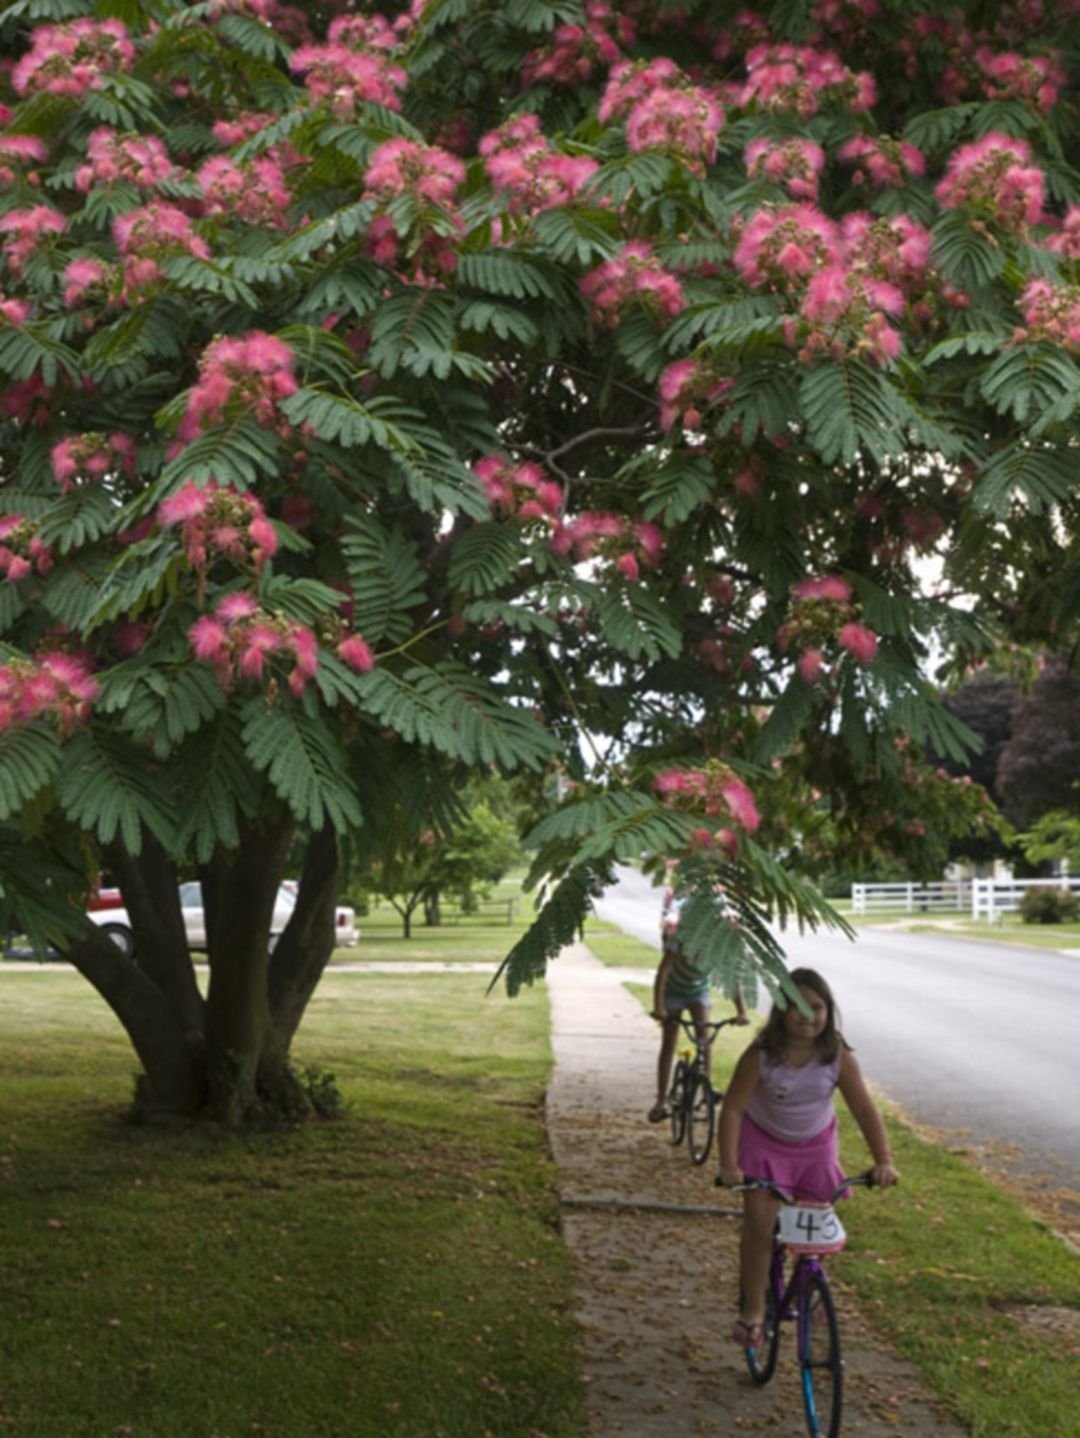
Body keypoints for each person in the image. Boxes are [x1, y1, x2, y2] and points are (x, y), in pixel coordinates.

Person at [716, 966, 899, 1347]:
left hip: (816, 1145)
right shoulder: (760, 1056)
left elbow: (864, 1109)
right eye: (797, 1006)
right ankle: (752, 1309)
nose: (807, 1015)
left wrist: (883, 1158)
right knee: (759, 1225)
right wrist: (729, 1165)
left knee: (815, 1227)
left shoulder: (837, 1057)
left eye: (817, 1007)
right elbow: (733, 1108)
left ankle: (807, 1281)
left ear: (829, 1011)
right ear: (781, 1011)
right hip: (763, 1142)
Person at [647, 870, 748, 1123]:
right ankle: (660, 1099)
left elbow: (731, 978)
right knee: (669, 1041)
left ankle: (706, 1085)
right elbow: (663, 972)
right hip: (673, 990)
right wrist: (659, 1007)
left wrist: (741, 1011)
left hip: (697, 991)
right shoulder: (680, 938)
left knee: (705, 1038)